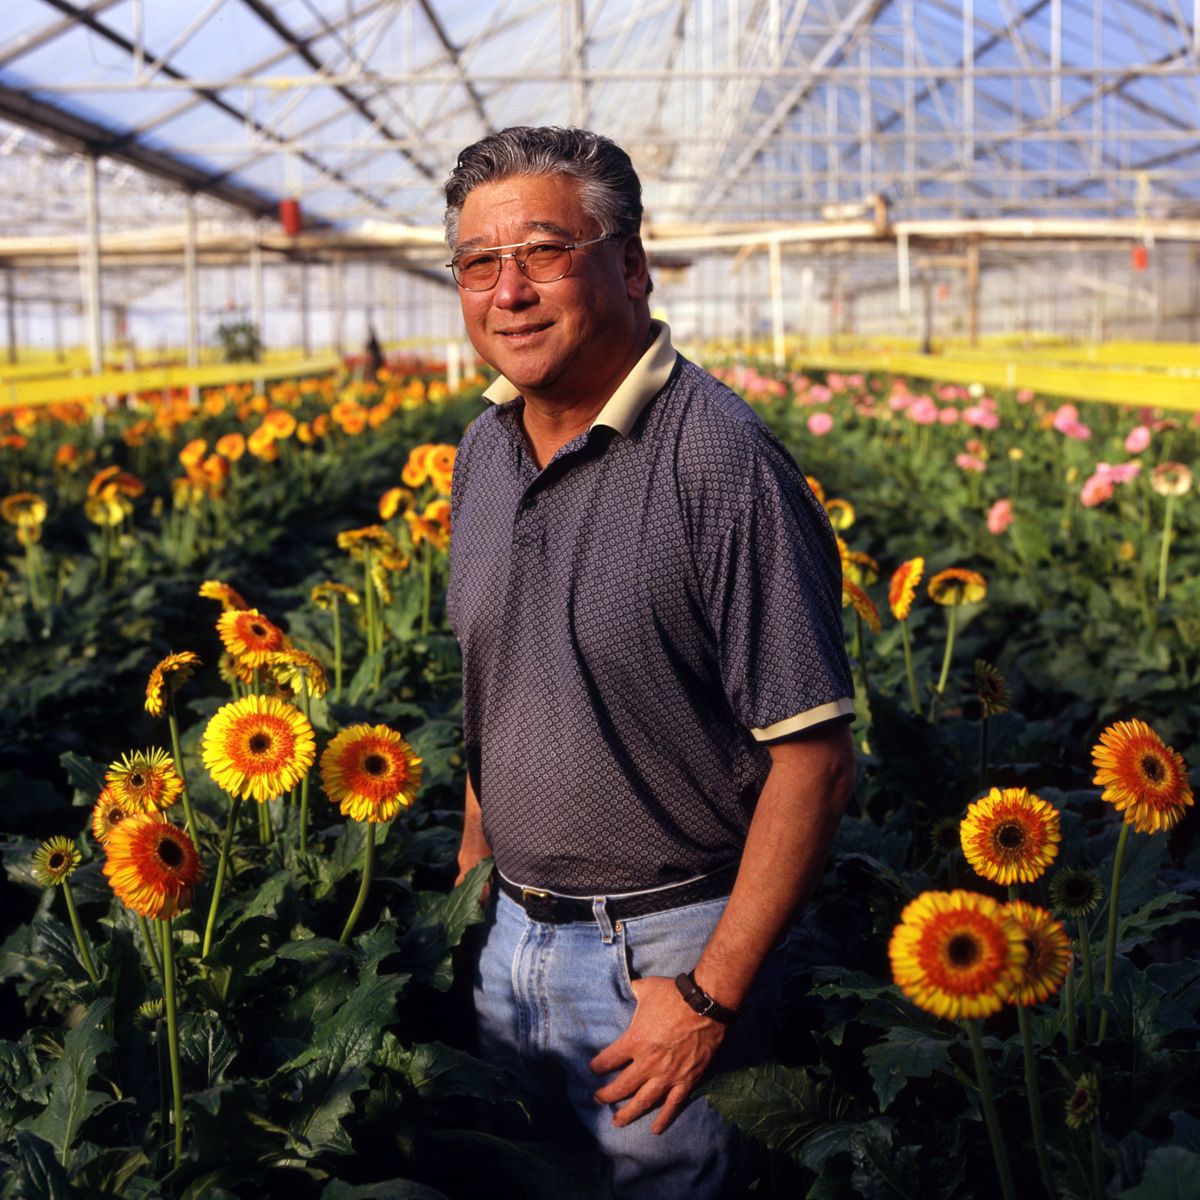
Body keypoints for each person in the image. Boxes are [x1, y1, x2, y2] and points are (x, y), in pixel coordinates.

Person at [444, 126, 856, 1199]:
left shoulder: (719, 460)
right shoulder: (481, 452)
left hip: (663, 959)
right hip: (509, 939)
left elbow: (814, 761)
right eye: (479, 263)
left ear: (630, 265)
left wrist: (708, 998)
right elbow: (495, 680)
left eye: (544, 251)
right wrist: (474, 872)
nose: (509, 291)